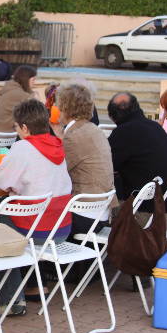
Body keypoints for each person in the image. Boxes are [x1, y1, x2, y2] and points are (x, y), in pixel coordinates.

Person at [0, 99, 73, 317]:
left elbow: (1, 180)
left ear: (24, 128)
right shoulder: (58, 145)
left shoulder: (23, 147)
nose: (15, 131)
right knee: (11, 222)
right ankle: (35, 286)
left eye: (16, 127)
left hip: (38, 231)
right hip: (61, 228)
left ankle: (11, 299)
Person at [107, 92, 167, 228]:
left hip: (150, 215)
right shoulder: (155, 127)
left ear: (112, 117)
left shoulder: (124, 132)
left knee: (101, 208)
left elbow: (105, 167)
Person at [55, 83, 115, 232]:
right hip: (102, 211)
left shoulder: (74, 136)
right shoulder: (93, 129)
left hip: (83, 215)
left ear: (65, 108)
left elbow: (56, 173)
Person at [0, 66, 37, 132]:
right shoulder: (18, 94)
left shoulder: (12, 89)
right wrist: (35, 94)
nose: (34, 83)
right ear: (26, 79)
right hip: (7, 132)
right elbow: (36, 110)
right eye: (33, 80)